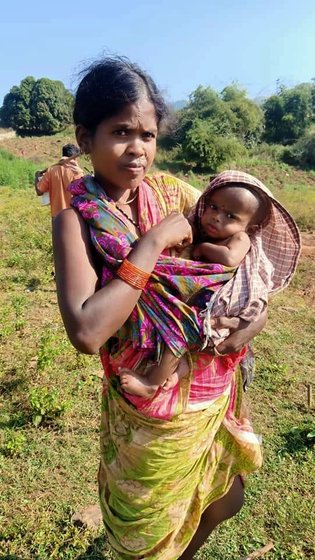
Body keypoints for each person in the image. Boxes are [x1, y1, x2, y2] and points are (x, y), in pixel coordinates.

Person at [53, 57, 300, 560]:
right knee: (146, 535)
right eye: (121, 131)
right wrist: (155, 240)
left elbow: (243, 261)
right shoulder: (75, 221)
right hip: (150, 412)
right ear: (85, 137)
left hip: (211, 389)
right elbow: (87, 330)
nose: (138, 149)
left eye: (148, 133)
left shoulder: (175, 193)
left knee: (224, 498)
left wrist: (256, 318)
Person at [119, 178, 270, 398]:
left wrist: (202, 248)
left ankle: (152, 383)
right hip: (200, 297)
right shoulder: (202, 229)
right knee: (173, 326)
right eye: (213, 207)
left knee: (180, 330)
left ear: (250, 226)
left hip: (216, 303)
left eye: (231, 216)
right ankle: (180, 368)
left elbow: (230, 258)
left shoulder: (241, 237)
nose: (217, 217)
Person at [35, 144, 84, 218]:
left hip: (57, 217)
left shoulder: (51, 170)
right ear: (75, 158)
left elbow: (39, 192)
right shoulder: (78, 172)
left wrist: (36, 177)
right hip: (75, 217)